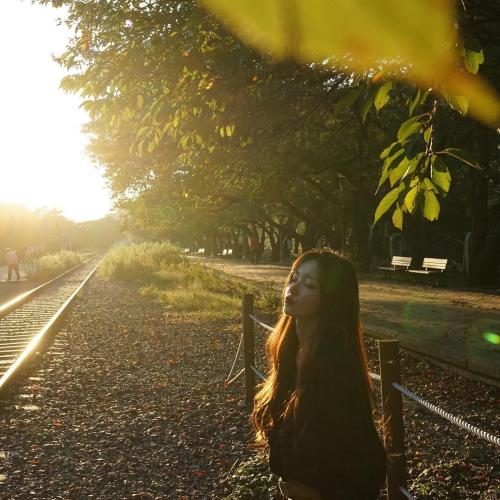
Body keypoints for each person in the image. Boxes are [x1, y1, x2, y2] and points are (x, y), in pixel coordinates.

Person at [252, 249, 387, 499]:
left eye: (309, 285)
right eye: (294, 278)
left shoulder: (336, 371)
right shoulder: (289, 353)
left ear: (331, 299)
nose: (293, 288)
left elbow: (369, 468)